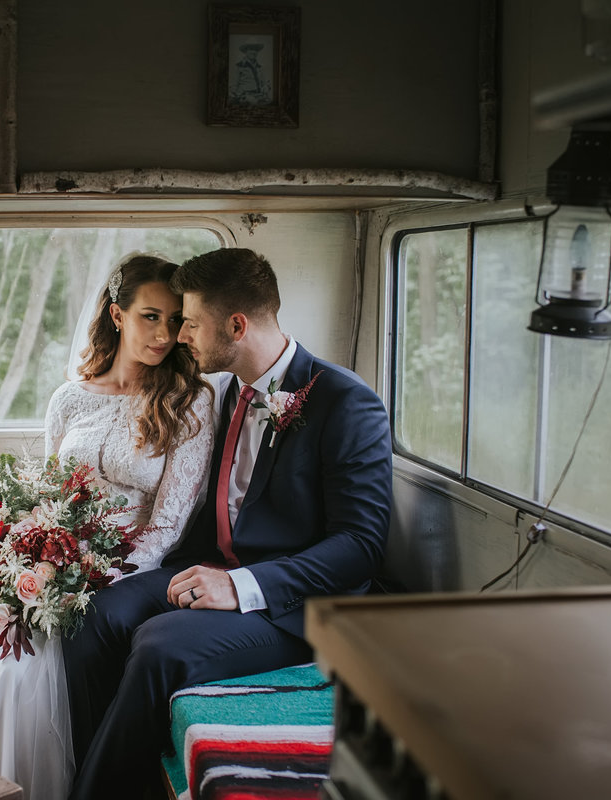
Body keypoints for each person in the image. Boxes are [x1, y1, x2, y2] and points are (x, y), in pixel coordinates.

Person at [63, 247, 393, 799]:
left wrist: (239, 586)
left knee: (159, 643)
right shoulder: (223, 389)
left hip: (295, 606)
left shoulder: (347, 403)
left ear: (236, 325)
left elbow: (360, 547)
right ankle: (110, 773)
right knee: (95, 618)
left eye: (190, 322)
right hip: (210, 564)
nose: (179, 336)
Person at [0, 253, 216, 800]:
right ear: (117, 313)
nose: (164, 333)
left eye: (176, 320)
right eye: (150, 316)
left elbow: (170, 525)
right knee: (9, 660)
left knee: (64, 639)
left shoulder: (189, 402)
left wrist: (91, 574)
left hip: (132, 566)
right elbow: (48, 498)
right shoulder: (69, 398)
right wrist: (38, 558)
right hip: (58, 564)